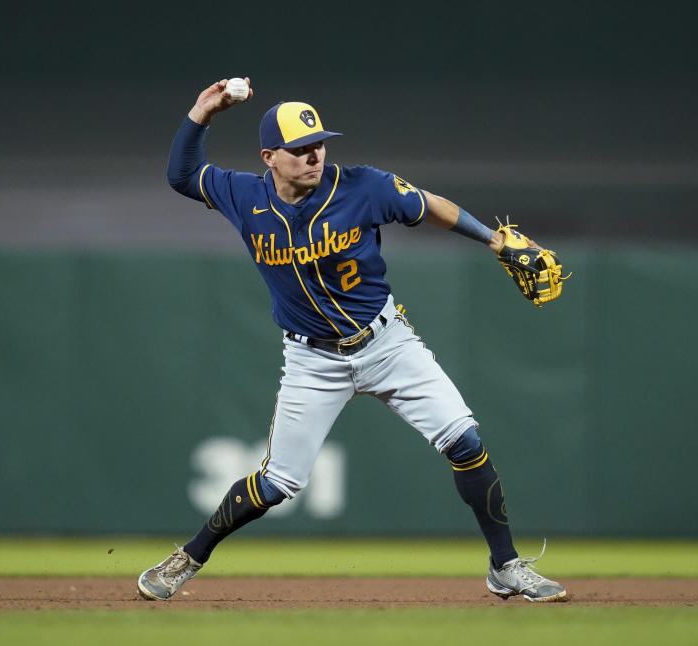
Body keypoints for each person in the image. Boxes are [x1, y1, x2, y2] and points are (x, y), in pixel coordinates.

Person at [136, 78, 567, 603]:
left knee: (466, 443)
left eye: (318, 144)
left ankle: (506, 567)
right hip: (312, 360)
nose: (314, 156)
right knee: (275, 485)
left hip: (388, 345)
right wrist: (202, 111)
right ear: (270, 156)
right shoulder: (243, 195)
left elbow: (429, 204)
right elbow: (180, 175)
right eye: (299, 149)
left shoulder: (363, 186)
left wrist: (494, 239)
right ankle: (189, 557)